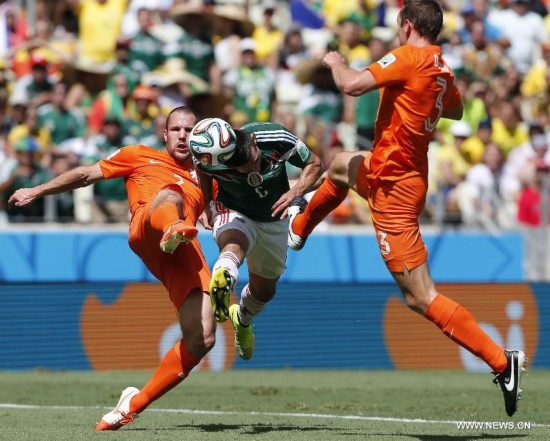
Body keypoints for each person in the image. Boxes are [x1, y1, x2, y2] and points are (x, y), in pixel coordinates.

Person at [286, 0, 526, 417]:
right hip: (396, 173)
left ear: (409, 25)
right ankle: (299, 229)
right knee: (342, 163)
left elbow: (353, 85)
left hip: (393, 192)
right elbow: (457, 108)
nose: (397, 32)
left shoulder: (410, 56)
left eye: (399, 26)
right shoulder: (440, 67)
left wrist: (336, 62)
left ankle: (504, 364)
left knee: (420, 297)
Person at [8, 106, 216, 430]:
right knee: (169, 193)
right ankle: (172, 225)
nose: (183, 136)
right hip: (150, 228)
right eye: (176, 129)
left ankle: (130, 405)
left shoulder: (208, 177)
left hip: (183, 245)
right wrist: (38, 190)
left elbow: (227, 211)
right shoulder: (138, 155)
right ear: (165, 134)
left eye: (190, 131)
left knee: (202, 338)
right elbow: (84, 175)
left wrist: (214, 210)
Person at [188, 118, 323, 360]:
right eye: (243, 169)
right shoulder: (207, 158)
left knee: (265, 291)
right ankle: (224, 275)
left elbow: (314, 163)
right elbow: (202, 170)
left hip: (274, 217)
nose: (253, 171)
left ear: (249, 140)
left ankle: (242, 319)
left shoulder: (274, 137)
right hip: (233, 208)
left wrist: (294, 193)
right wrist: (208, 203)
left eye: (253, 160)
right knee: (234, 243)